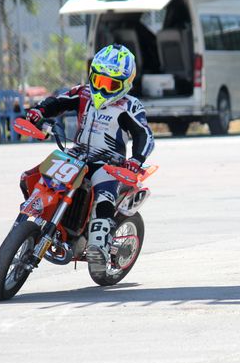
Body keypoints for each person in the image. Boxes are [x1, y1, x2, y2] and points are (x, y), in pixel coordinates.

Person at [24, 44, 154, 265]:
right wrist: (39, 111)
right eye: (98, 80)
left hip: (109, 164)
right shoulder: (83, 93)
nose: (102, 88)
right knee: (32, 177)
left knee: (104, 195)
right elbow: (58, 102)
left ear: (125, 84)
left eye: (110, 84)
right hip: (76, 155)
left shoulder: (130, 105)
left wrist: (136, 160)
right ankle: (41, 220)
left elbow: (144, 135)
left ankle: (98, 246)